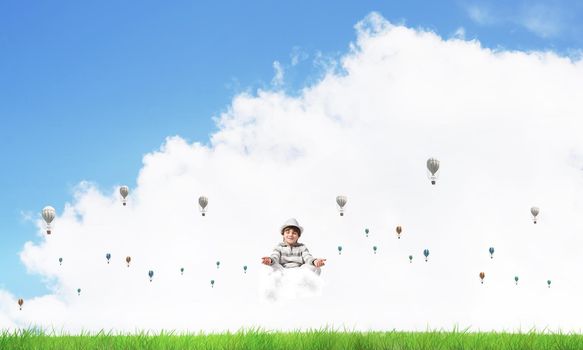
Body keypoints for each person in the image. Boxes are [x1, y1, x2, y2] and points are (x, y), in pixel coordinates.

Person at [261, 218, 326, 275]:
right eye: (288, 232)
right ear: (283, 234)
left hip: (299, 272)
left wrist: (315, 261)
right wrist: (270, 260)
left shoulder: (302, 247)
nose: (291, 235)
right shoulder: (279, 247)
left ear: (298, 236)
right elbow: (275, 256)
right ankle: (276, 285)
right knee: (268, 267)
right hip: (283, 271)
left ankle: (304, 284)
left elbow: (308, 257)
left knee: (316, 268)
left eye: (294, 233)